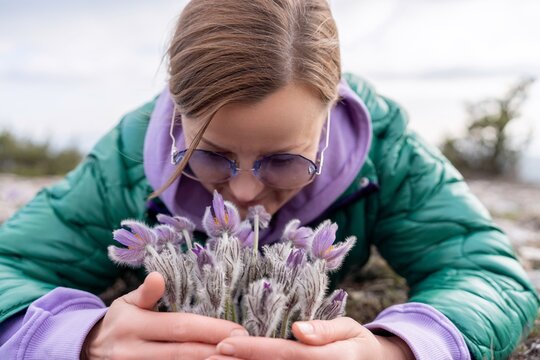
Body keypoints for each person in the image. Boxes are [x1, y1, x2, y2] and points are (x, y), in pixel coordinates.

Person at [0, 0, 538, 359]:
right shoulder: (131, 157)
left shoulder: (384, 148)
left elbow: (491, 275)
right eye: (209, 157)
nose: (244, 193)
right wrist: (81, 336)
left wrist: (396, 347)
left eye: (284, 162)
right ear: (174, 114)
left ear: (329, 117)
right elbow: (11, 265)